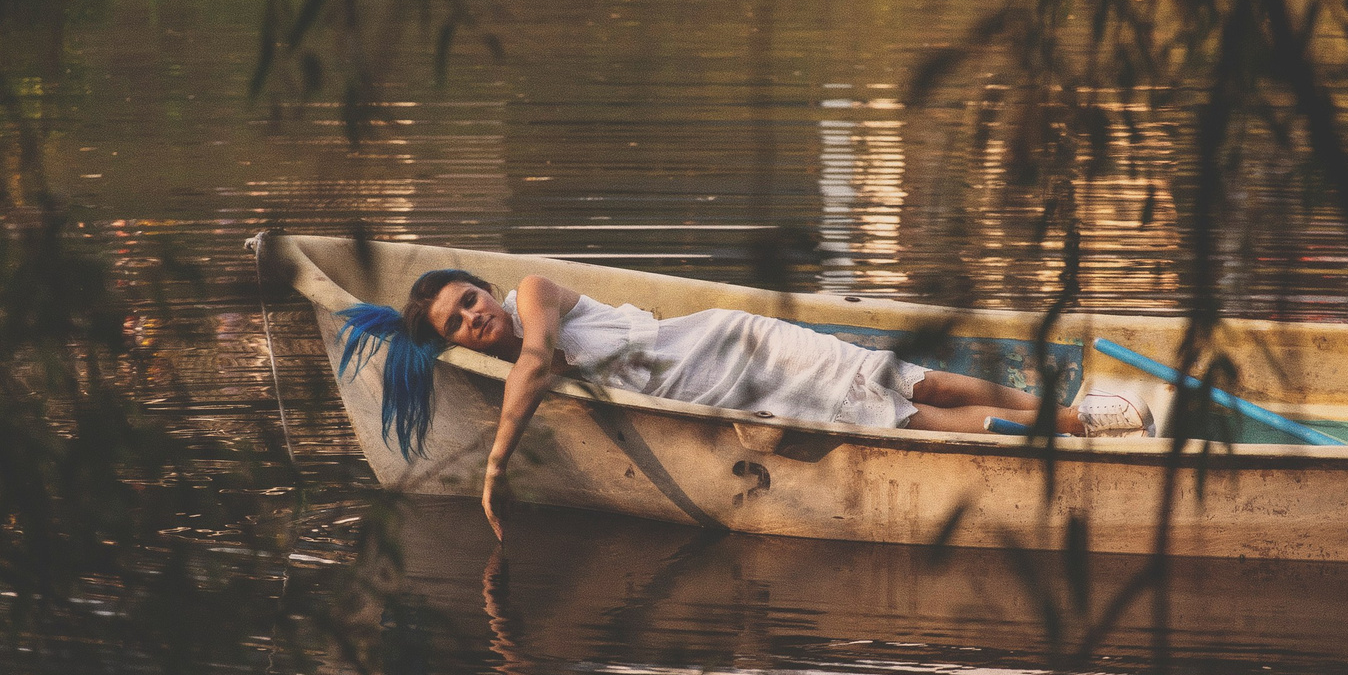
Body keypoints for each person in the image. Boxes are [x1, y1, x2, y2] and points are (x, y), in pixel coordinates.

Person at [334, 267, 1153, 538]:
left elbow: (536, 361)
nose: (475, 318)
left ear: (484, 288)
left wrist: (494, 468)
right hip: (730, 397)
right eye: (457, 325)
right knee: (912, 417)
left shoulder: (533, 298)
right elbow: (526, 372)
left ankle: (1072, 417)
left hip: (739, 348)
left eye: (469, 300)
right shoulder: (510, 360)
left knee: (912, 381)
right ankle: (1066, 430)